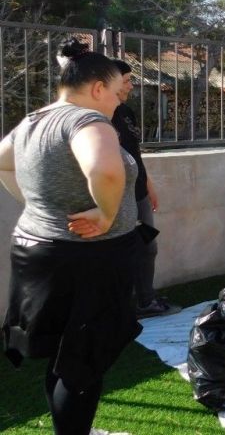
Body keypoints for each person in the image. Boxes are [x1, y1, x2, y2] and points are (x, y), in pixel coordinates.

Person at [0, 38, 141, 435]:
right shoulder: (88, 121)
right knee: (82, 364)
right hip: (89, 259)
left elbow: (3, 163)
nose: (117, 102)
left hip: (38, 251)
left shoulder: (33, 120)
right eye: (115, 93)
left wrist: (38, 203)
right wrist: (107, 215)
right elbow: (106, 171)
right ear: (97, 88)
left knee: (64, 358)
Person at [111, 60, 180, 318]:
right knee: (118, 253)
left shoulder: (127, 112)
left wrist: (149, 186)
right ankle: (118, 307)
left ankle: (146, 300)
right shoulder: (98, 118)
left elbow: (135, 155)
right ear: (110, 83)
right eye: (127, 80)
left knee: (147, 246)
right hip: (116, 198)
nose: (131, 85)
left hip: (138, 194)